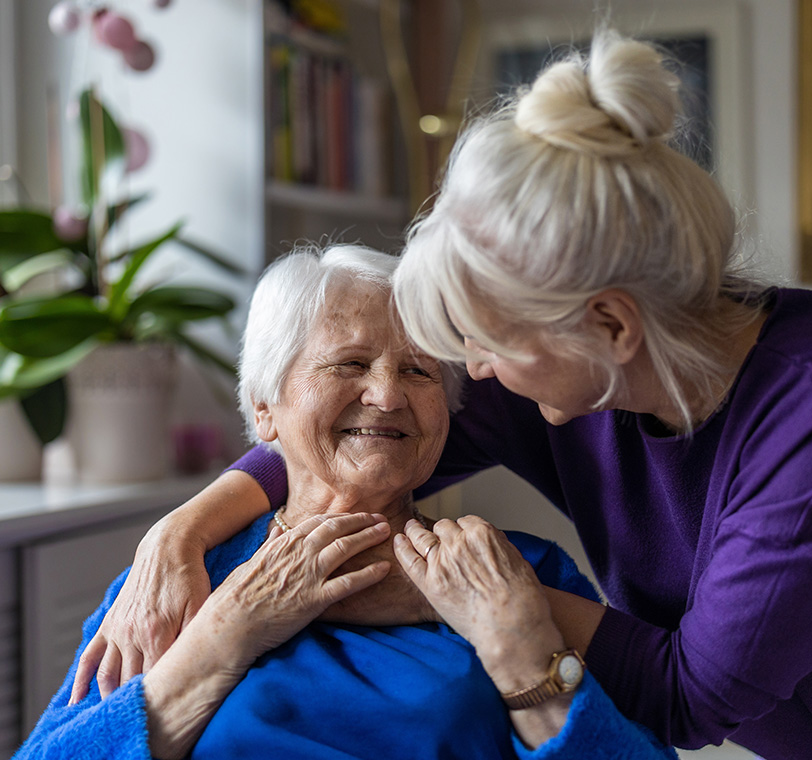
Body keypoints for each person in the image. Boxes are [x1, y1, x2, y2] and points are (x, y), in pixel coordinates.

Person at [74, 30, 812, 759]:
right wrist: (181, 536)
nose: (466, 377)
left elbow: (689, 697)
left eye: (479, 347)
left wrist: (490, 616)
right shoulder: (558, 376)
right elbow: (350, 437)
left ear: (610, 327)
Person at [17, 244, 675, 760]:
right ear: (264, 408)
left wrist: (523, 654)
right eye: (349, 364)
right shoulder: (183, 579)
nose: (387, 395)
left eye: (418, 371)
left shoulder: (513, 572)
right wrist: (221, 639)